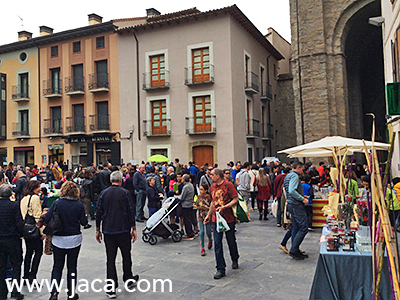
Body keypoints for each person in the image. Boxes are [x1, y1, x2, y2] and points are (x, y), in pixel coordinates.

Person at [96, 171, 138, 299]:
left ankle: (111, 287)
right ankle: (128, 278)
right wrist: (133, 227)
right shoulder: (125, 193)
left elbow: (98, 211)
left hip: (108, 230)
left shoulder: (104, 193)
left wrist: (97, 229)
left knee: (110, 259)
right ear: (121, 180)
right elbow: (131, 210)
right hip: (123, 229)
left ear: (110, 180)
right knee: (126, 255)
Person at [44, 181, 88, 300]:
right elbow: (84, 223)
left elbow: (47, 218)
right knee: (72, 266)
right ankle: (71, 293)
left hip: (58, 238)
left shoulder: (57, 203)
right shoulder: (79, 205)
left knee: (57, 266)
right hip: (74, 239)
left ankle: (54, 292)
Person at [204, 168, 240, 280]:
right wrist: (208, 215)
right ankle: (220, 268)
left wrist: (225, 207)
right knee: (217, 244)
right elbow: (213, 202)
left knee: (231, 241)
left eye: (212, 175)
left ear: (218, 176)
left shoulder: (228, 185)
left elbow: (235, 199)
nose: (210, 176)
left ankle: (235, 258)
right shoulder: (212, 187)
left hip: (228, 218)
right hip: (216, 219)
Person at [0, 185, 24, 300]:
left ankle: (2, 292)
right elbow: (19, 223)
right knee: (16, 265)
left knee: (1, 266)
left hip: (0, 239)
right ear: (10, 194)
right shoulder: (14, 205)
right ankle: (15, 291)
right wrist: (21, 233)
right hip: (13, 239)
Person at [283, 161, 309, 260]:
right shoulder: (294, 176)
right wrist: (302, 199)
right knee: (303, 228)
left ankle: (295, 249)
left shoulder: (288, 176)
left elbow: (289, 191)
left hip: (291, 203)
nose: (303, 171)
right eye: (302, 169)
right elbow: (292, 190)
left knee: (295, 227)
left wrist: (301, 195)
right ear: (298, 167)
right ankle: (294, 249)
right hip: (296, 205)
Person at [20, 180, 44, 285]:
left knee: (29, 252)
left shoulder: (23, 199)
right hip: (34, 230)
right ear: (33, 188)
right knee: (38, 252)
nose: (40, 189)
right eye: (38, 187)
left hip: (26, 229)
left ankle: (25, 275)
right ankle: (32, 276)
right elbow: (37, 216)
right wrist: (42, 231)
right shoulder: (34, 198)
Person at [175, 174, 195, 240]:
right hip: (190, 204)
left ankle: (190, 234)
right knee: (188, 219)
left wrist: (176, 197)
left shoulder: (186, 187)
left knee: (187, 220)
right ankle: (190, 232)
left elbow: (182, 197)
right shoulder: (190, 185)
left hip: (186, 205)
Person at [195, 184, 212, 256]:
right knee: (201, 232)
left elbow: (212, 207)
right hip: (200, 215)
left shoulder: (209, 197)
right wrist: (198, 206)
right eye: (200, 189)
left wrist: (206, 207)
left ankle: (210, 239)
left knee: (208, 232)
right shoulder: (198, 197)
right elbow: (194, 205)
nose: (200, 191)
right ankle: (202, 247)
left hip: (207, 216)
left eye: (202, 189)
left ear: (206, 190)